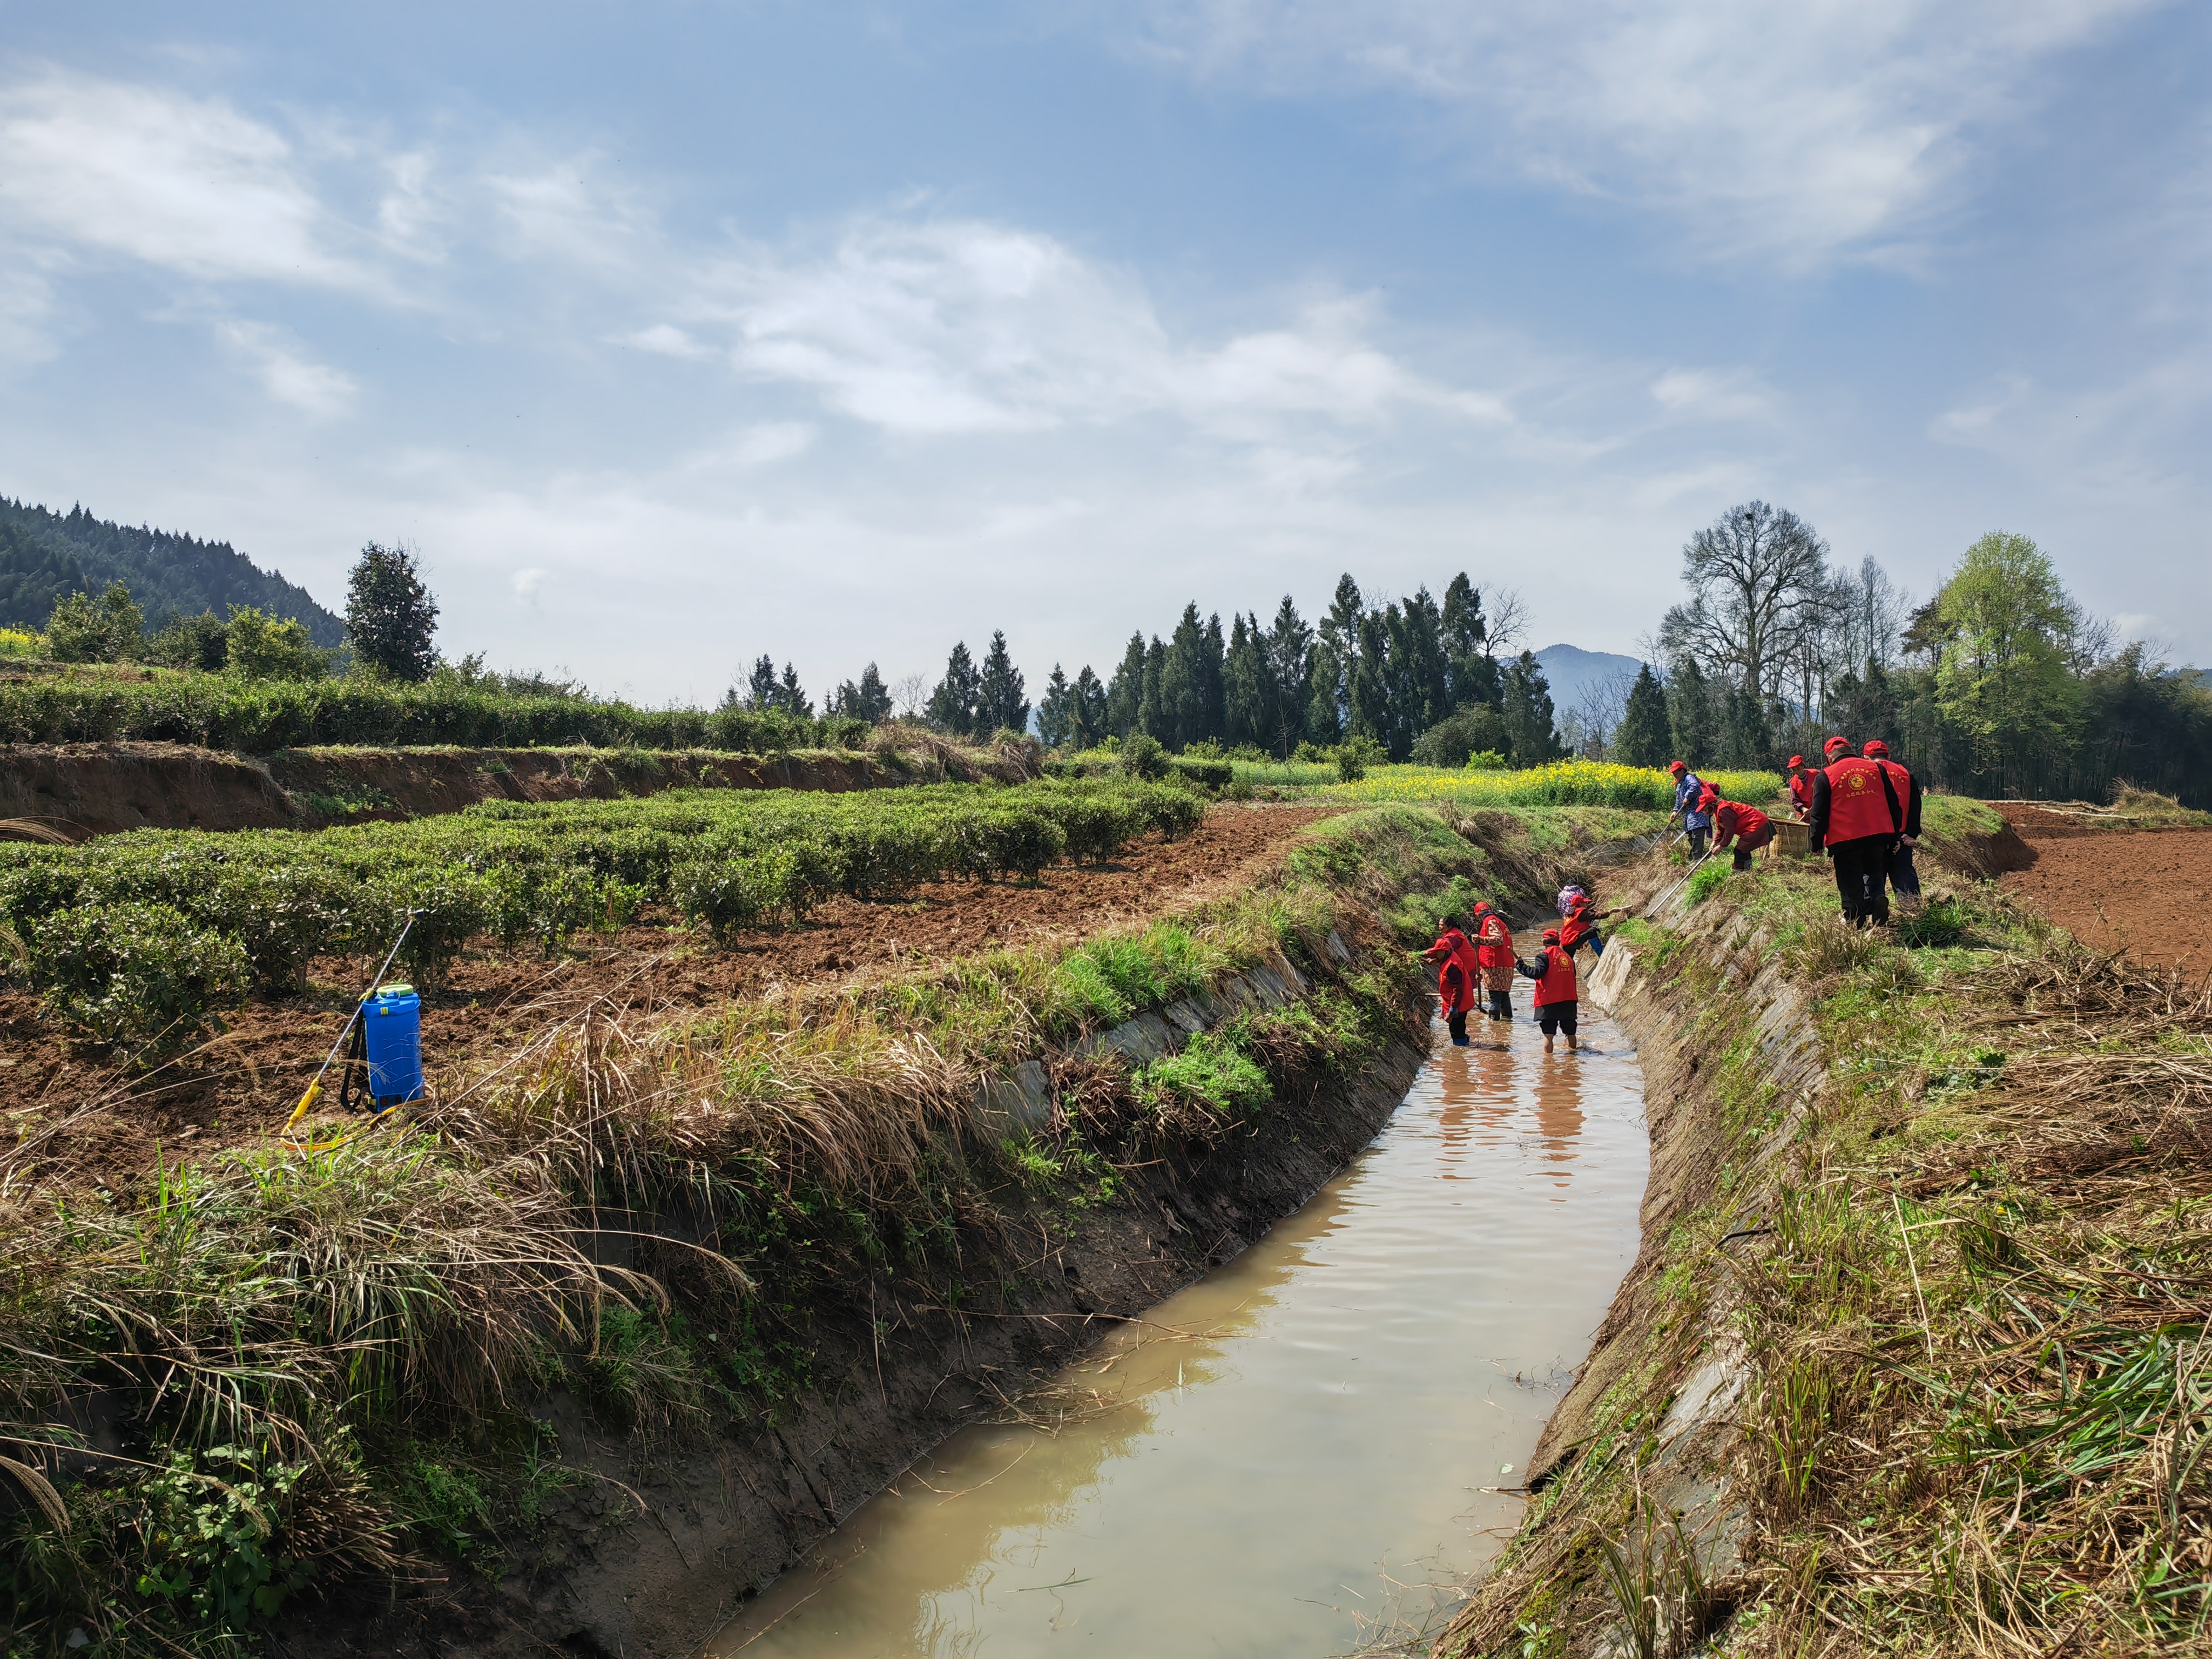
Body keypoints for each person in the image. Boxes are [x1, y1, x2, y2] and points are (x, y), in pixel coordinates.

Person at [1808, 734, 1904, 926]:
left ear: (1829, 757)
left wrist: (1816, 843)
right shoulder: (1877, 769)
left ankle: (1855, 918)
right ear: (1852, 751)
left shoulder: (1825, 775)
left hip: (1845, 838)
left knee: (1850, 881)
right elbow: (1894, 804)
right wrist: (1895, 837)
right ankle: (1877, 898)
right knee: (1874, 871)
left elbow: (1818, 814)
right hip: (1878, 834)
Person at [1863, 740, 1923, 907]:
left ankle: (1874, 912)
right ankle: (1913, 912)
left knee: (1872, 875)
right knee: (1904, 875)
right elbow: (1915, 805)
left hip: (1874, 837)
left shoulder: (1865, 774)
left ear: (1866, 757)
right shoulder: (1905, 773)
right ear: (1889, 756)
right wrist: (1911, 833)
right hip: (1902, 837)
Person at [1421, 914, 1482, 1046]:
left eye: (1442, 925)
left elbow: (1457, 989)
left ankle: (1459, 1054)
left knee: (1456, 1030)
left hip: (1459, 1000)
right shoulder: (1449, 956)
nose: (1439, 927)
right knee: (1460, 1027)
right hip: (1462, 998)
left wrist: (1453, 1007)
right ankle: (1464, 1045)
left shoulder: (1454, 943)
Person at [1516, 925, 1579, 1053]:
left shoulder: (1543, 957)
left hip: (1549, 1001)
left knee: (1549, 1035)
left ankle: (1548, 1066)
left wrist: (1520, 966)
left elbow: (1536, 973)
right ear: (1559, 942)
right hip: (1569, 1000)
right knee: (1571, 1032)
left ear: (1544, 942)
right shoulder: (1568, 957)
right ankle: (1574, 1059)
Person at [1471, 899, 1516, 1022]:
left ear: (1477, 915)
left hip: (1495, 965)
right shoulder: (1500, 922)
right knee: (1503, 995)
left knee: (1495, 997)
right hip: (1506, 964)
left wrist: (1480, 939)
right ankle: (1507, 1021)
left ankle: (1494, 1025)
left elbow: (1498, 940)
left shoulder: (1490, 921)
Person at [1709, 797, 1776, 871]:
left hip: (1757, 824)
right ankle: (1747, 871)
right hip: (1755, 824)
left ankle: (1740, 873)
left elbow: (1729, 830)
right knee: (1743, 850)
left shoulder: (1723, 810)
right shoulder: (1720, 809)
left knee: (1740, 851)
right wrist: (1715, 841)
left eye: (1704, 809)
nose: (1704, 812)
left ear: (1711, 805)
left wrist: (1721, 845)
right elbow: (1721, 827)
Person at [1669, 761, 1712, 857]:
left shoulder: (1689, 778)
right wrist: (1675, 811)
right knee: (1690, 836)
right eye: (1673, 773)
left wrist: (1688, 797)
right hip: (1689, 816)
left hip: (1698, 814)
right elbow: (1678, 799)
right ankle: (1696, 856)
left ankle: (1696, 859)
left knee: (1697, 836)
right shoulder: (1680, 783)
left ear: (1682, 771)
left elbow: (1695, 786)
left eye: (1676, 772)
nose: (1674, 775)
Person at [1785, 754, 1816, 820]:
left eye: (1798, 769)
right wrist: (1803, 808)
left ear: (1803, 766)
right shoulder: (1793, 782)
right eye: (1794, 770)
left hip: (1820, 811)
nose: (1797, 772)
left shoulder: (1816, 774)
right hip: (1805, 815)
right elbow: (1795, 800)